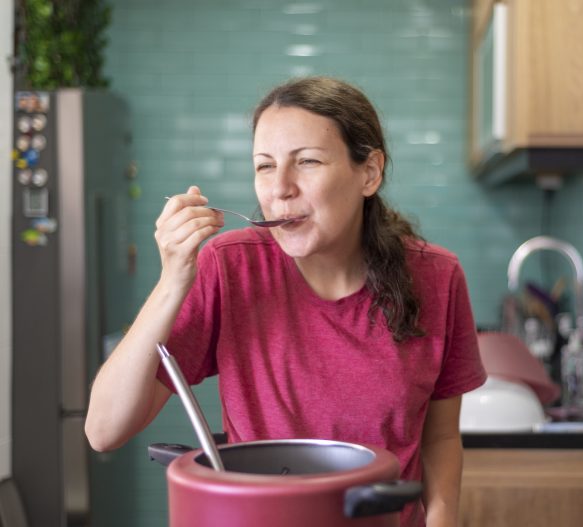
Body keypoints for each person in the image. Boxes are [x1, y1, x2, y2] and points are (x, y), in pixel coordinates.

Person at [85, 76, 486, 527]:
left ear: (369, 173)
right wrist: (172, 280)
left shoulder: (437, 276)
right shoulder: (228, 266)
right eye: (264, 166)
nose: (280, 188)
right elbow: (104, 430)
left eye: (308, 162)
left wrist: (442, 519)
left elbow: (440, 438)